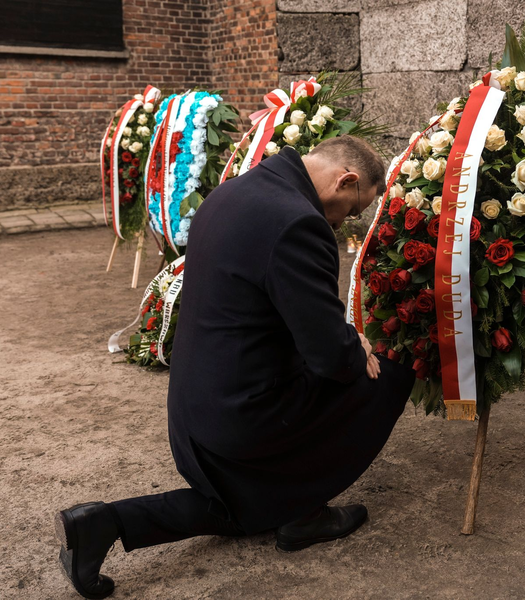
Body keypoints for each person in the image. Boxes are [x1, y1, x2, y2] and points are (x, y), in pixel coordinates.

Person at [55, 136, 416, 599]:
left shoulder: (234, 190)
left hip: (193, 412)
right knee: (385, 377)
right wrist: (356, 344)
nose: (343, 221)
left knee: (241, 509)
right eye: (352, 209)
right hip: (243, 421)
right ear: (345, 181)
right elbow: (329, 355)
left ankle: (103, 523)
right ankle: (303, 508)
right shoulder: (300, 223)